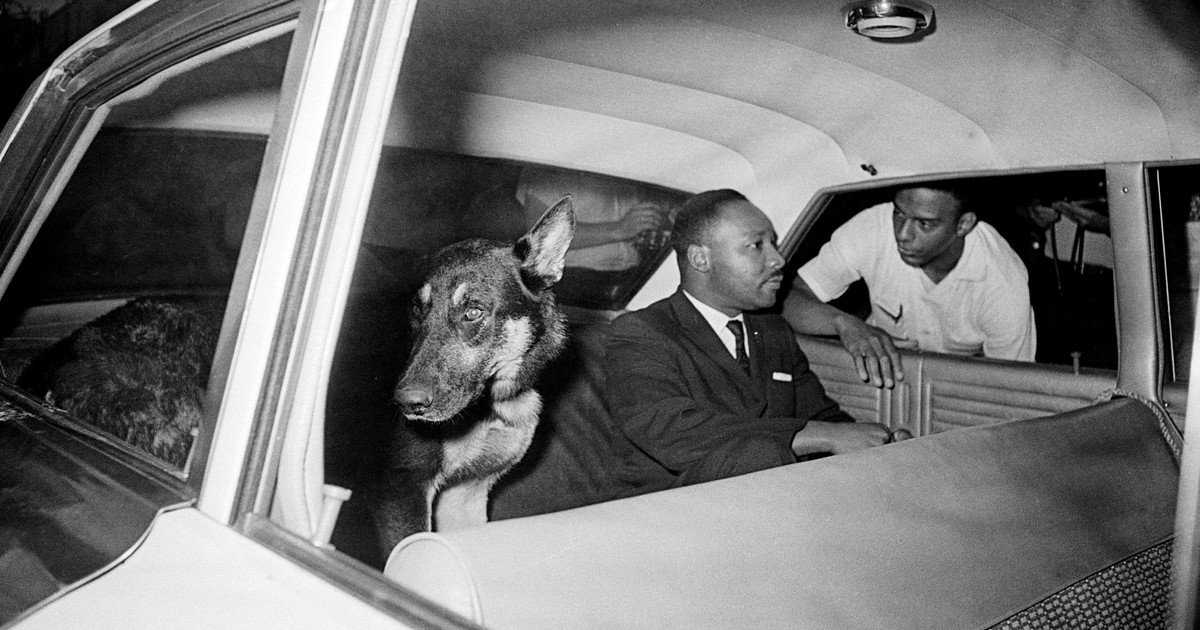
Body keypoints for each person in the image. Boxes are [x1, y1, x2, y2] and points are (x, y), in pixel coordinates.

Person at [604, 189, 891, 496]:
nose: (778, 259)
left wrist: (873, 446)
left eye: (773, 243)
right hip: (673, 504)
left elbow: (819, 416)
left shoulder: (771, 330)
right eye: (756, 245)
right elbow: (673, 432)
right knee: (761, 455)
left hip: (766, 495)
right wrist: (814, 435)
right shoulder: (641, 332)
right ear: (700, 259)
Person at [784, 186, 1036, 389]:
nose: (903, 234)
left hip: (962, 388)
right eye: (899, 214)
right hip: (878, 372)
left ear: (963, 224)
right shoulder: (871, 228)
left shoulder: (1002, 280)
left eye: (924, 224)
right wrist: (844, 324)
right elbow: (789, 299)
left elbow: (1012, 386)